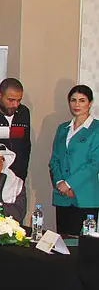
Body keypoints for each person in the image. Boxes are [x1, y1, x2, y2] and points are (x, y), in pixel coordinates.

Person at [49, 85, 99, 234]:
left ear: (90, 103)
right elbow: (54, 160)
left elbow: (94, 164)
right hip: (62, 196)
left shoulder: (96, 129)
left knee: (84, 247)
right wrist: (60, 183)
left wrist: (70, 184)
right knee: (63, 243)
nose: (77, 104)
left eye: (82, 100)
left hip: (85, 197)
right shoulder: (62, 128)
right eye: (73, 100)